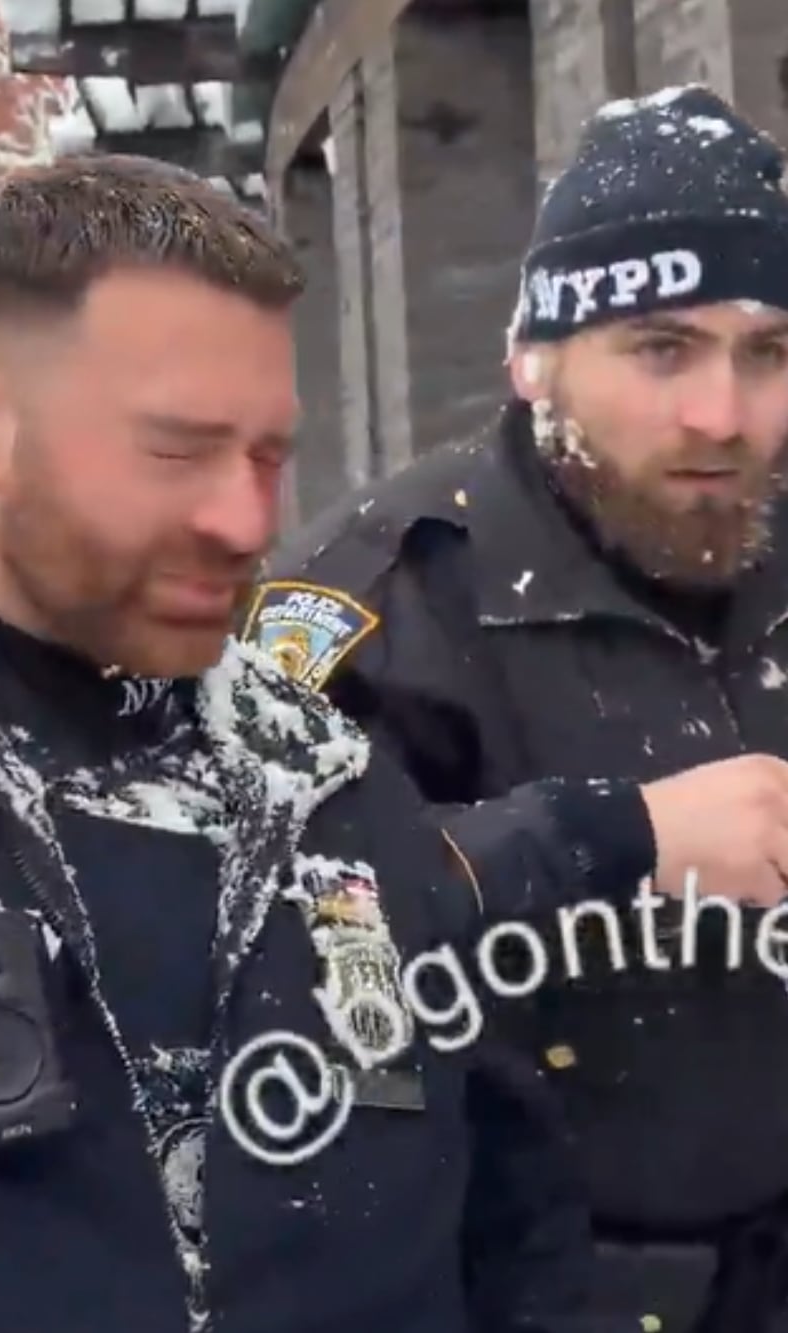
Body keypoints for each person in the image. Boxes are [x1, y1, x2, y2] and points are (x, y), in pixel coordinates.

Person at [0, 155, 673, 1333]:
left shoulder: (324, 776)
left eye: (267, 456)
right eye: (175, 451)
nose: (245, 521)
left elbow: (509, 1220)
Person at [251, 85, 788, 1333]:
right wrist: (610, 834)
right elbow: (237, 937)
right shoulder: (370, 603)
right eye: (659, 348)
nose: (717, 414)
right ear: (532, 357)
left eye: (764, 351)